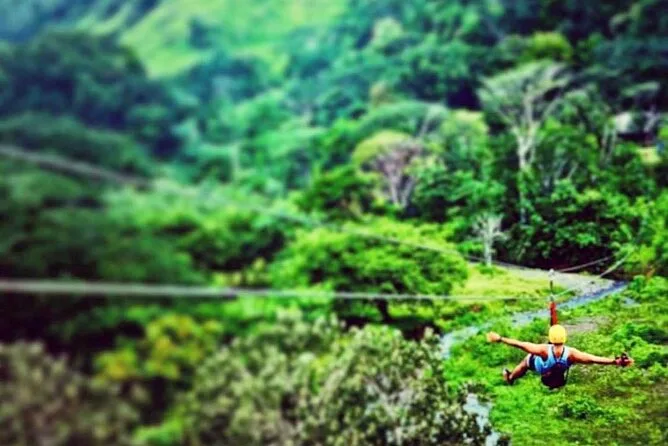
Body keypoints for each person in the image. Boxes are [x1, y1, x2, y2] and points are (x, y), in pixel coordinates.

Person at [486, 324, 633, 389]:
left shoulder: (543, 350)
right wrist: (615, 362)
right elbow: (593, 359)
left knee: (525, 362)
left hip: (539, 367)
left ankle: (511, 377)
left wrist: (500, 339)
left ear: (550, 338)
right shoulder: (572, 354)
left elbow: (521, 344)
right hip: (555, 374)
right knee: (530, 360)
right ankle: (513, 377)